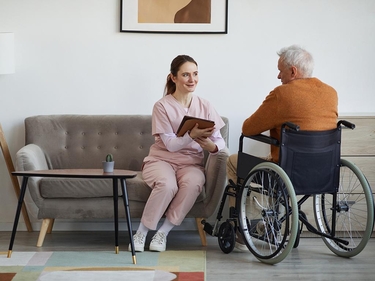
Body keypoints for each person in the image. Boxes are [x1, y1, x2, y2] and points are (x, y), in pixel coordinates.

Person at [227, 45, 338, 250]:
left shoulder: (282, 94)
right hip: (324, 173)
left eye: (281, 70)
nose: (278, 76)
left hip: (286, 173)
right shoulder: (331, 93)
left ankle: (246, 227)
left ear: (293, 71)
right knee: (268, 164)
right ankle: (265, 221)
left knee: (234, 161)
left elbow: (248, 128)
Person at [129, 55, 226, 252]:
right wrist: (192, 135)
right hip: (161, 160)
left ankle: (163, 233)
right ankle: (141, 232)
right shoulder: (162, 106)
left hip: (191, 163)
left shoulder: (205, 105)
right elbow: (171, 145)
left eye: (195, 74)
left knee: (194, 183)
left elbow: (220, 142)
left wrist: (210, 146)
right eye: (186, 75)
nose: (192, 79)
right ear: (173, 78)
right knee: (167, 185)